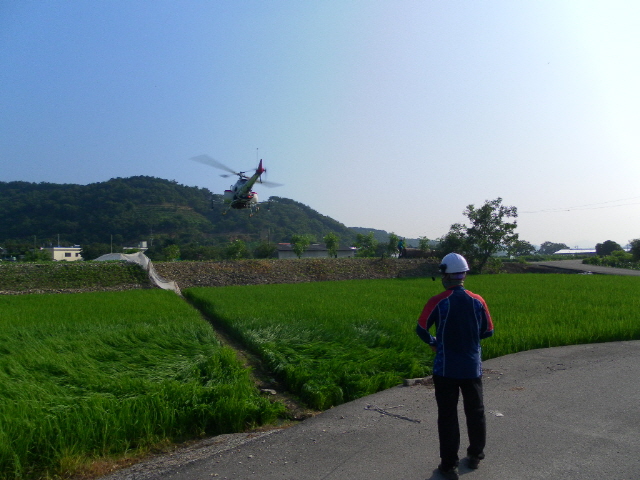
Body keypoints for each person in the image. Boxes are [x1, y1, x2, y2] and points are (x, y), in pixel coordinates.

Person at [416, 253, 494, 480]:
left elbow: (421, 328)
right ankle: (475, 456)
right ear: (463, 275)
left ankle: (448, 466)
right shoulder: (477, 300)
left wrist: (434, 343)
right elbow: (488, 331)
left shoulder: (437, 301)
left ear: (446, 276)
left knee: (448, 416)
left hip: (445, 369)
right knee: (476, 412)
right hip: (471, 367)